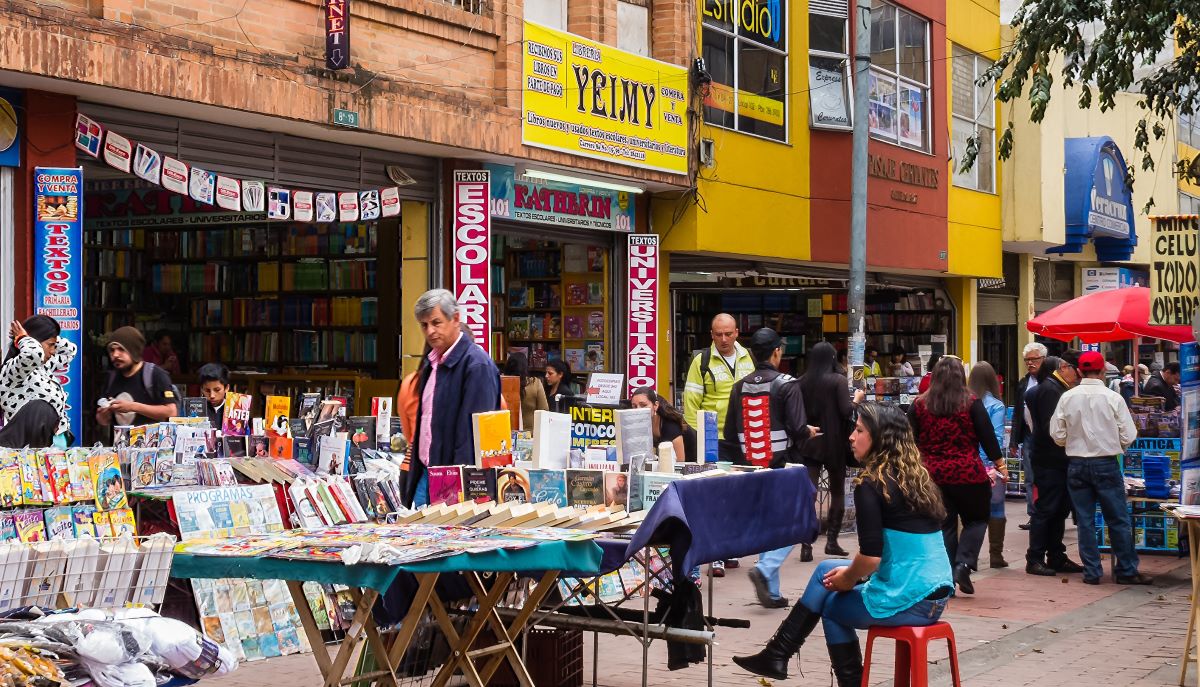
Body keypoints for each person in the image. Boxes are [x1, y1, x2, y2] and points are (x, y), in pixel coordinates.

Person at [732, 403, 953, 686]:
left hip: (910, 597)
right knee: (826, 568)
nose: (851, 436)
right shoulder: (916, 478)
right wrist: (846, 576)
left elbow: (871, 558)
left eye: (859, 430)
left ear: (880, 438)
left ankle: (788, 657)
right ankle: (778, 653)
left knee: (833, 606)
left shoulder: (872, 483)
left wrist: (848, 580)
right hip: (936, 594)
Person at [725, 328, 820, 608]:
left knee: (770, 525)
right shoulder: (787, 384)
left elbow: (730, 433)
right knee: (801, 521)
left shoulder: (738, 386)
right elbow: (797, 428)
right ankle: (766, 569)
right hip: (786, 465)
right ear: (777, 351)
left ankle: (773, 593)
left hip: (751, 467)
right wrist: (809, 432)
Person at [1049, 351, 1152, 585]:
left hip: (1076, 464)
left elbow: (1057, 433)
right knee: (1117, 519)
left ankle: (1092, 572)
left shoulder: (1067, 397)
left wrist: (1072, 442)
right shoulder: (1112, 398)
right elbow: (1129, 434)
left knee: (1085, 521)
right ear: (1103, 372)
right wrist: (1113, 443)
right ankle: (1126, 570)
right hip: (1106, 462)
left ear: (1078, 371)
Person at [907, 357, 1004, 594]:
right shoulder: (971, 402)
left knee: (945, 525)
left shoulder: (919, 404)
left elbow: (910, 439)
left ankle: (946, 577)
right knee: (977, 519)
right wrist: (1000, 464)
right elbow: (987, 436)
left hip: (933, 475)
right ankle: (963, 563)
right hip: (967, 472)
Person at [405, 289, 501, 507]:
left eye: (436, 322)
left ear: (456, 318)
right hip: (426, 474)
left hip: (453, 484)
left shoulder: (477, 365)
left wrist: (458, 493)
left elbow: (474, 438)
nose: (430, 331)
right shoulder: (433, 363)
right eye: (424, 325)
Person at [683, 313, 755, 576]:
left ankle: (731, 548)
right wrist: (697, 440)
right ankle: (715, 553)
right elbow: (691, 406)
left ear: (737, 332)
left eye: (728, 334)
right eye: (718, 334)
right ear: (711, 335)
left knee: (738, 495)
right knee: (716, 495)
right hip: (714, 438)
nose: (723, 339)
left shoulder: (749, 358)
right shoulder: (701, 362)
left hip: (744, 437)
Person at [798, 341, 863, 562]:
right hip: (835, 443)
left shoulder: (802, 382)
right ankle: (832, 541)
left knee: (809, 493)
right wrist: (856, 401)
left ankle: (806, 545)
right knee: (836, 492)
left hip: (811, 441)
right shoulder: (838, 380)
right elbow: (846, 411)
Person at [1025, 351, 1086, 577]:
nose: (1079, 376)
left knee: (1059, 509)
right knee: (1048, 509)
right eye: (1076, 370)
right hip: (1051, 459)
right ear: (1064, 367)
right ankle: (1035, 558)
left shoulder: (1053, 389)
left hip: (1053, 458)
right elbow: (1054, 429)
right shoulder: (1052, 390)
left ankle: (1056, 555)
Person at [0, 315, 77, 449]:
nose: (53, 352)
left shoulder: (43, 367)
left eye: (54, 345)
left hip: (52, 445)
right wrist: (23, 338)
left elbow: (70, 351)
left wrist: (48, 338)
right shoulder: (14, 371)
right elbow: (33, 355)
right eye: (50, 345)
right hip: (26, 450)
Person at [95, 326, 179, 428]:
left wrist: (132, 406)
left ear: (133, 350)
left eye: (121, 349)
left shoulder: (155, 374)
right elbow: (104, 421)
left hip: (151, 442)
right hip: (120, 442)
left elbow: (171, 411)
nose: (115, 354)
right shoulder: (111, 377)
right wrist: (103, 414)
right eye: (112, 350)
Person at [968, 361, 1009, 568]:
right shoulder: (996, 405)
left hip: (966, 464)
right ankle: (996, 554)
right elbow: (996, 437)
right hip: (990, 466)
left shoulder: (963, 402)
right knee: (996, 509)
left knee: (969, 513)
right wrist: (995, 464)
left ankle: (968, 557)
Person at [1011, 342, 1046, 529]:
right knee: (1030, 477)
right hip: (1029, 436)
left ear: (1043, 360)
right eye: (1027, 360)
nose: (1030, 363)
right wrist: (1013, 440)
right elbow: (1018, 412)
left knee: (1046, 477)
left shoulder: (1050, 382)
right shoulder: (1024, 383)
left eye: (1034, 359)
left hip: (1047, 437)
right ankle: (1034, 515)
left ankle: (1048, 514)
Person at [630, 387, 696, 463]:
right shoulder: (638, 425)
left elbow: (680, 463)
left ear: (655, 405)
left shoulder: (670, 426)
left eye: (643, 405)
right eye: (634, 406)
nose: (638, 410)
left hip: (693, 464)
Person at [503, 352, 548, 432]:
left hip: (508, 431)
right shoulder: (535, 383)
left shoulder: (502, 384)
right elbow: (544, 410)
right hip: (530, 434)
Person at [196, 363, 230, 429]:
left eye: (217, 390)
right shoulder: (195, 408)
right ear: (201, 389)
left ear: (226, 388)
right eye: (207, 390)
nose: (212, 395)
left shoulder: (235, 409)